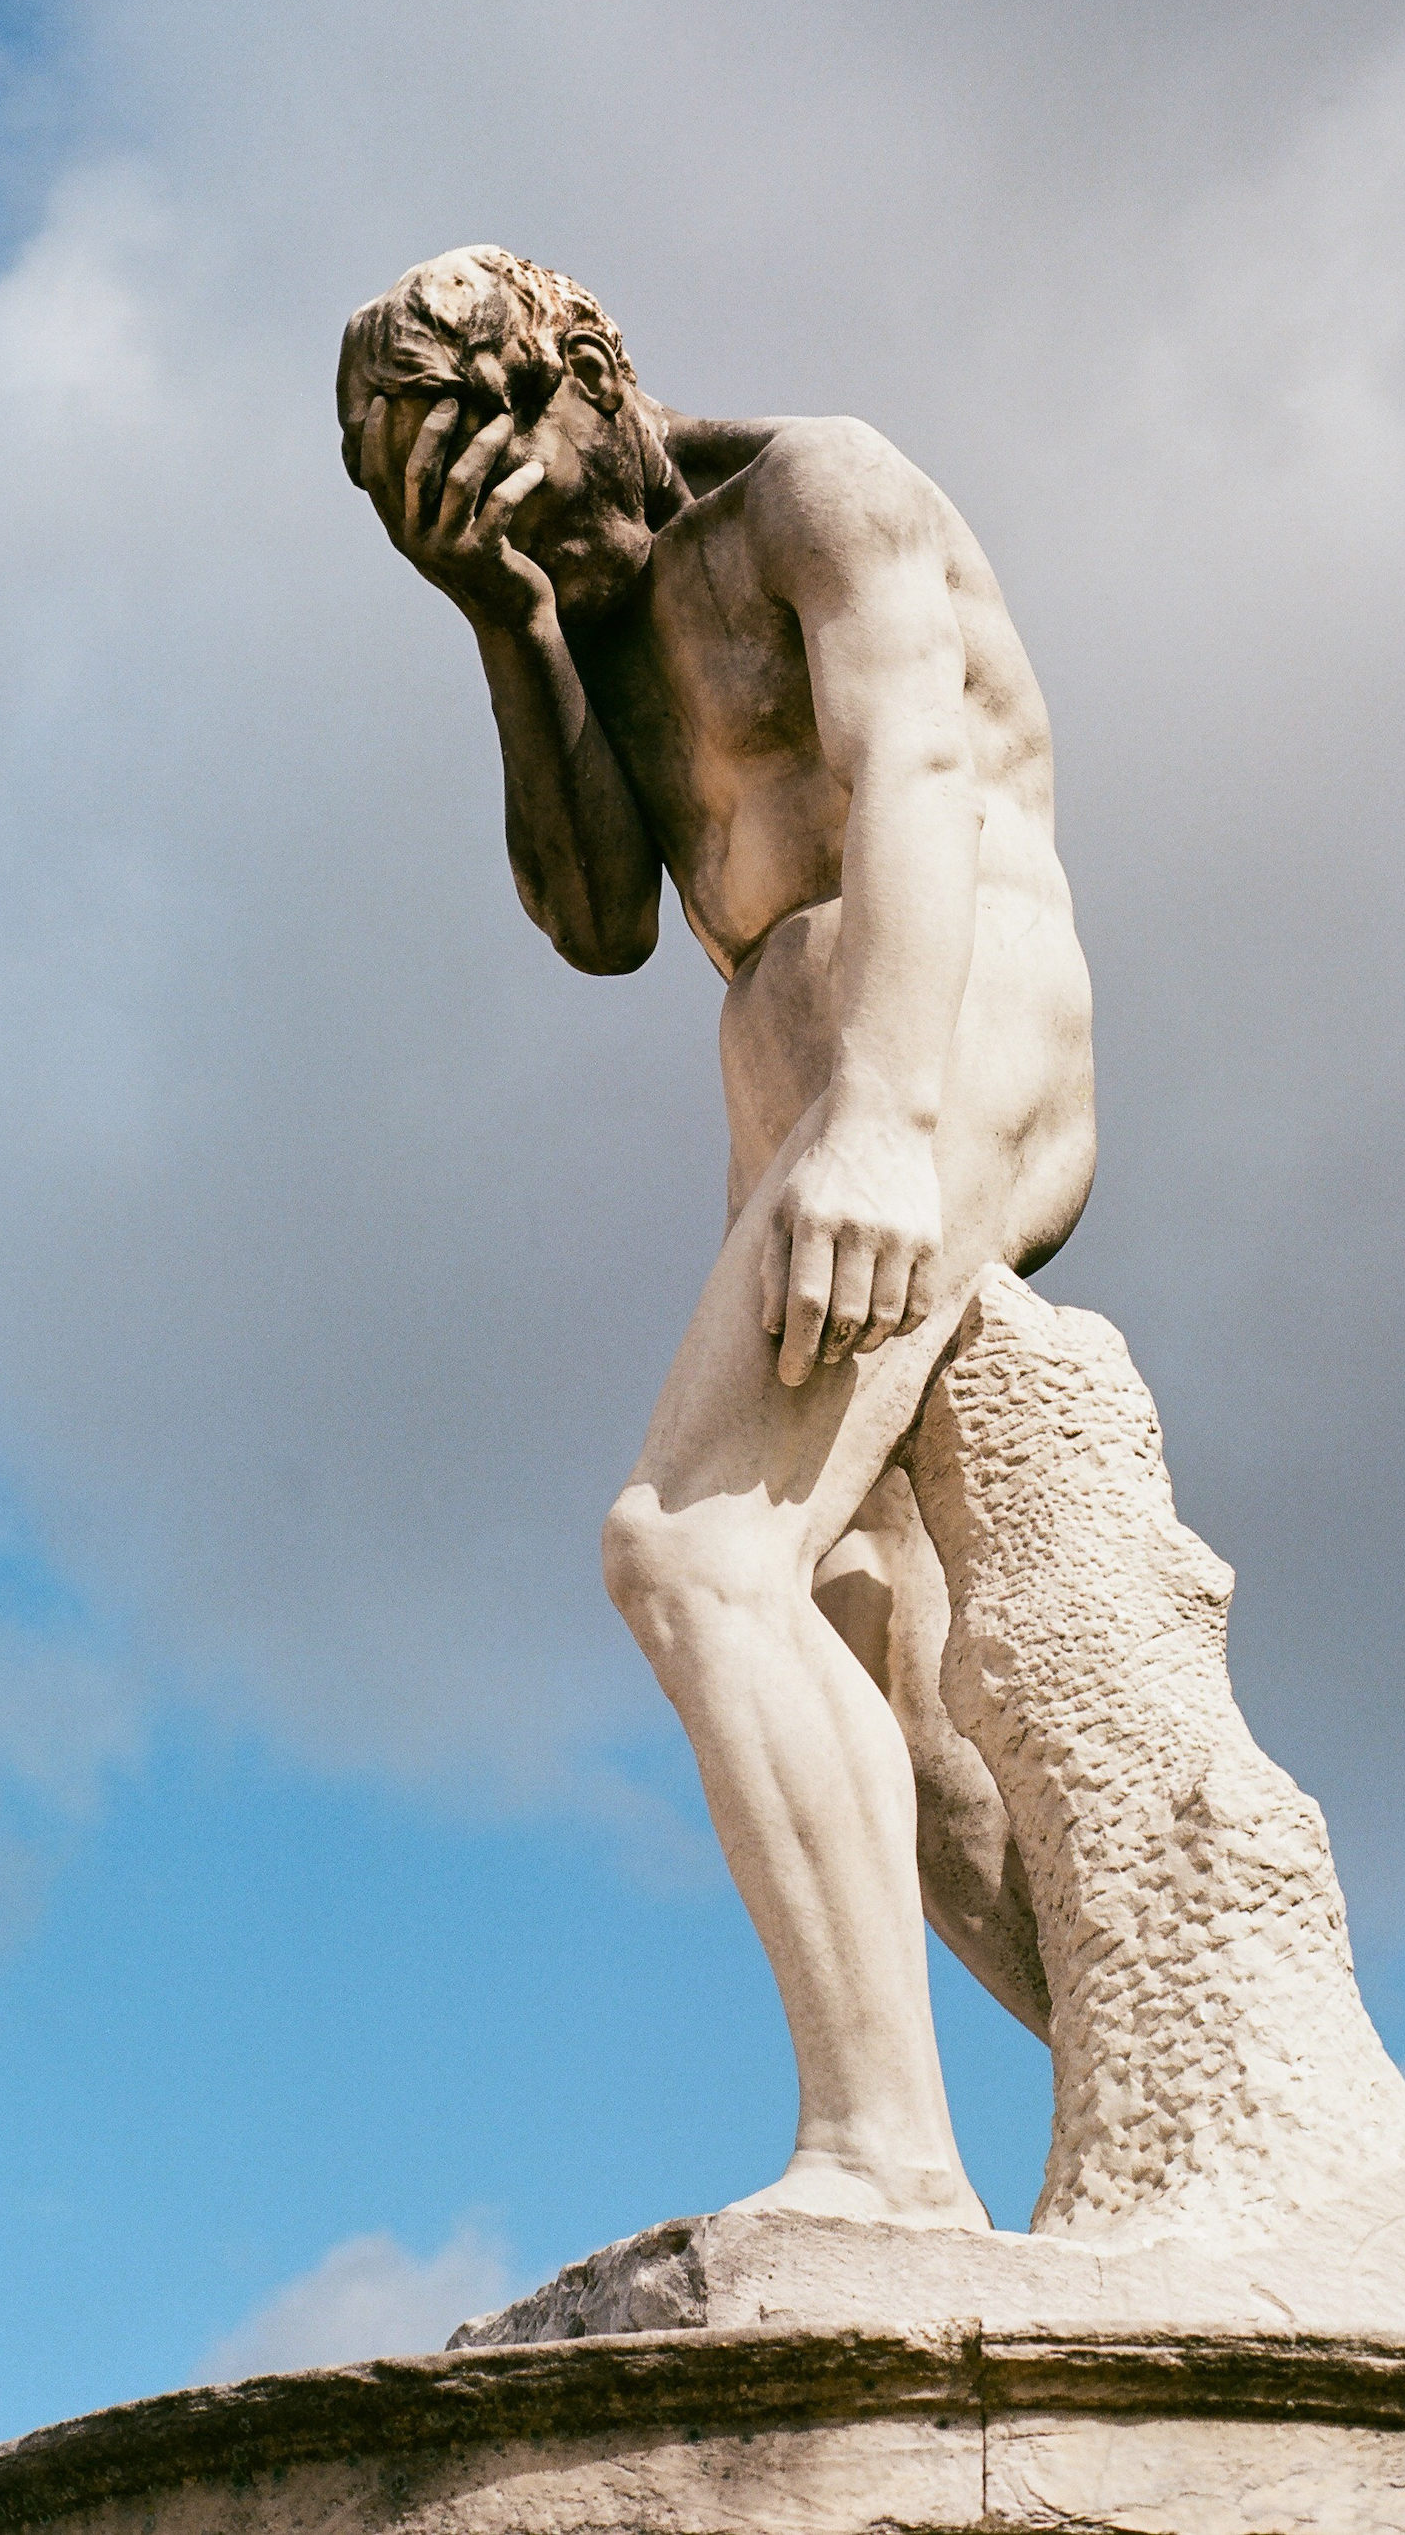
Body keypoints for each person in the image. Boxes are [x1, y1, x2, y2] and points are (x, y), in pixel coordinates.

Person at [340, 248, 1096, 2227]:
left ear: (578, 376)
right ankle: (1162, 2087)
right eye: (439, 520)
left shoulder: (819, 489)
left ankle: (884, 2161)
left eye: (493, 482)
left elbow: (916, 773)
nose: (503, 529)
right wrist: (507, 622)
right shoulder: (574, 605)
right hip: (787, 1078)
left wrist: (886, 1112)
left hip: (945, 1019)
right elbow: (602, 918)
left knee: (688, 1547)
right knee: (871, 1659)